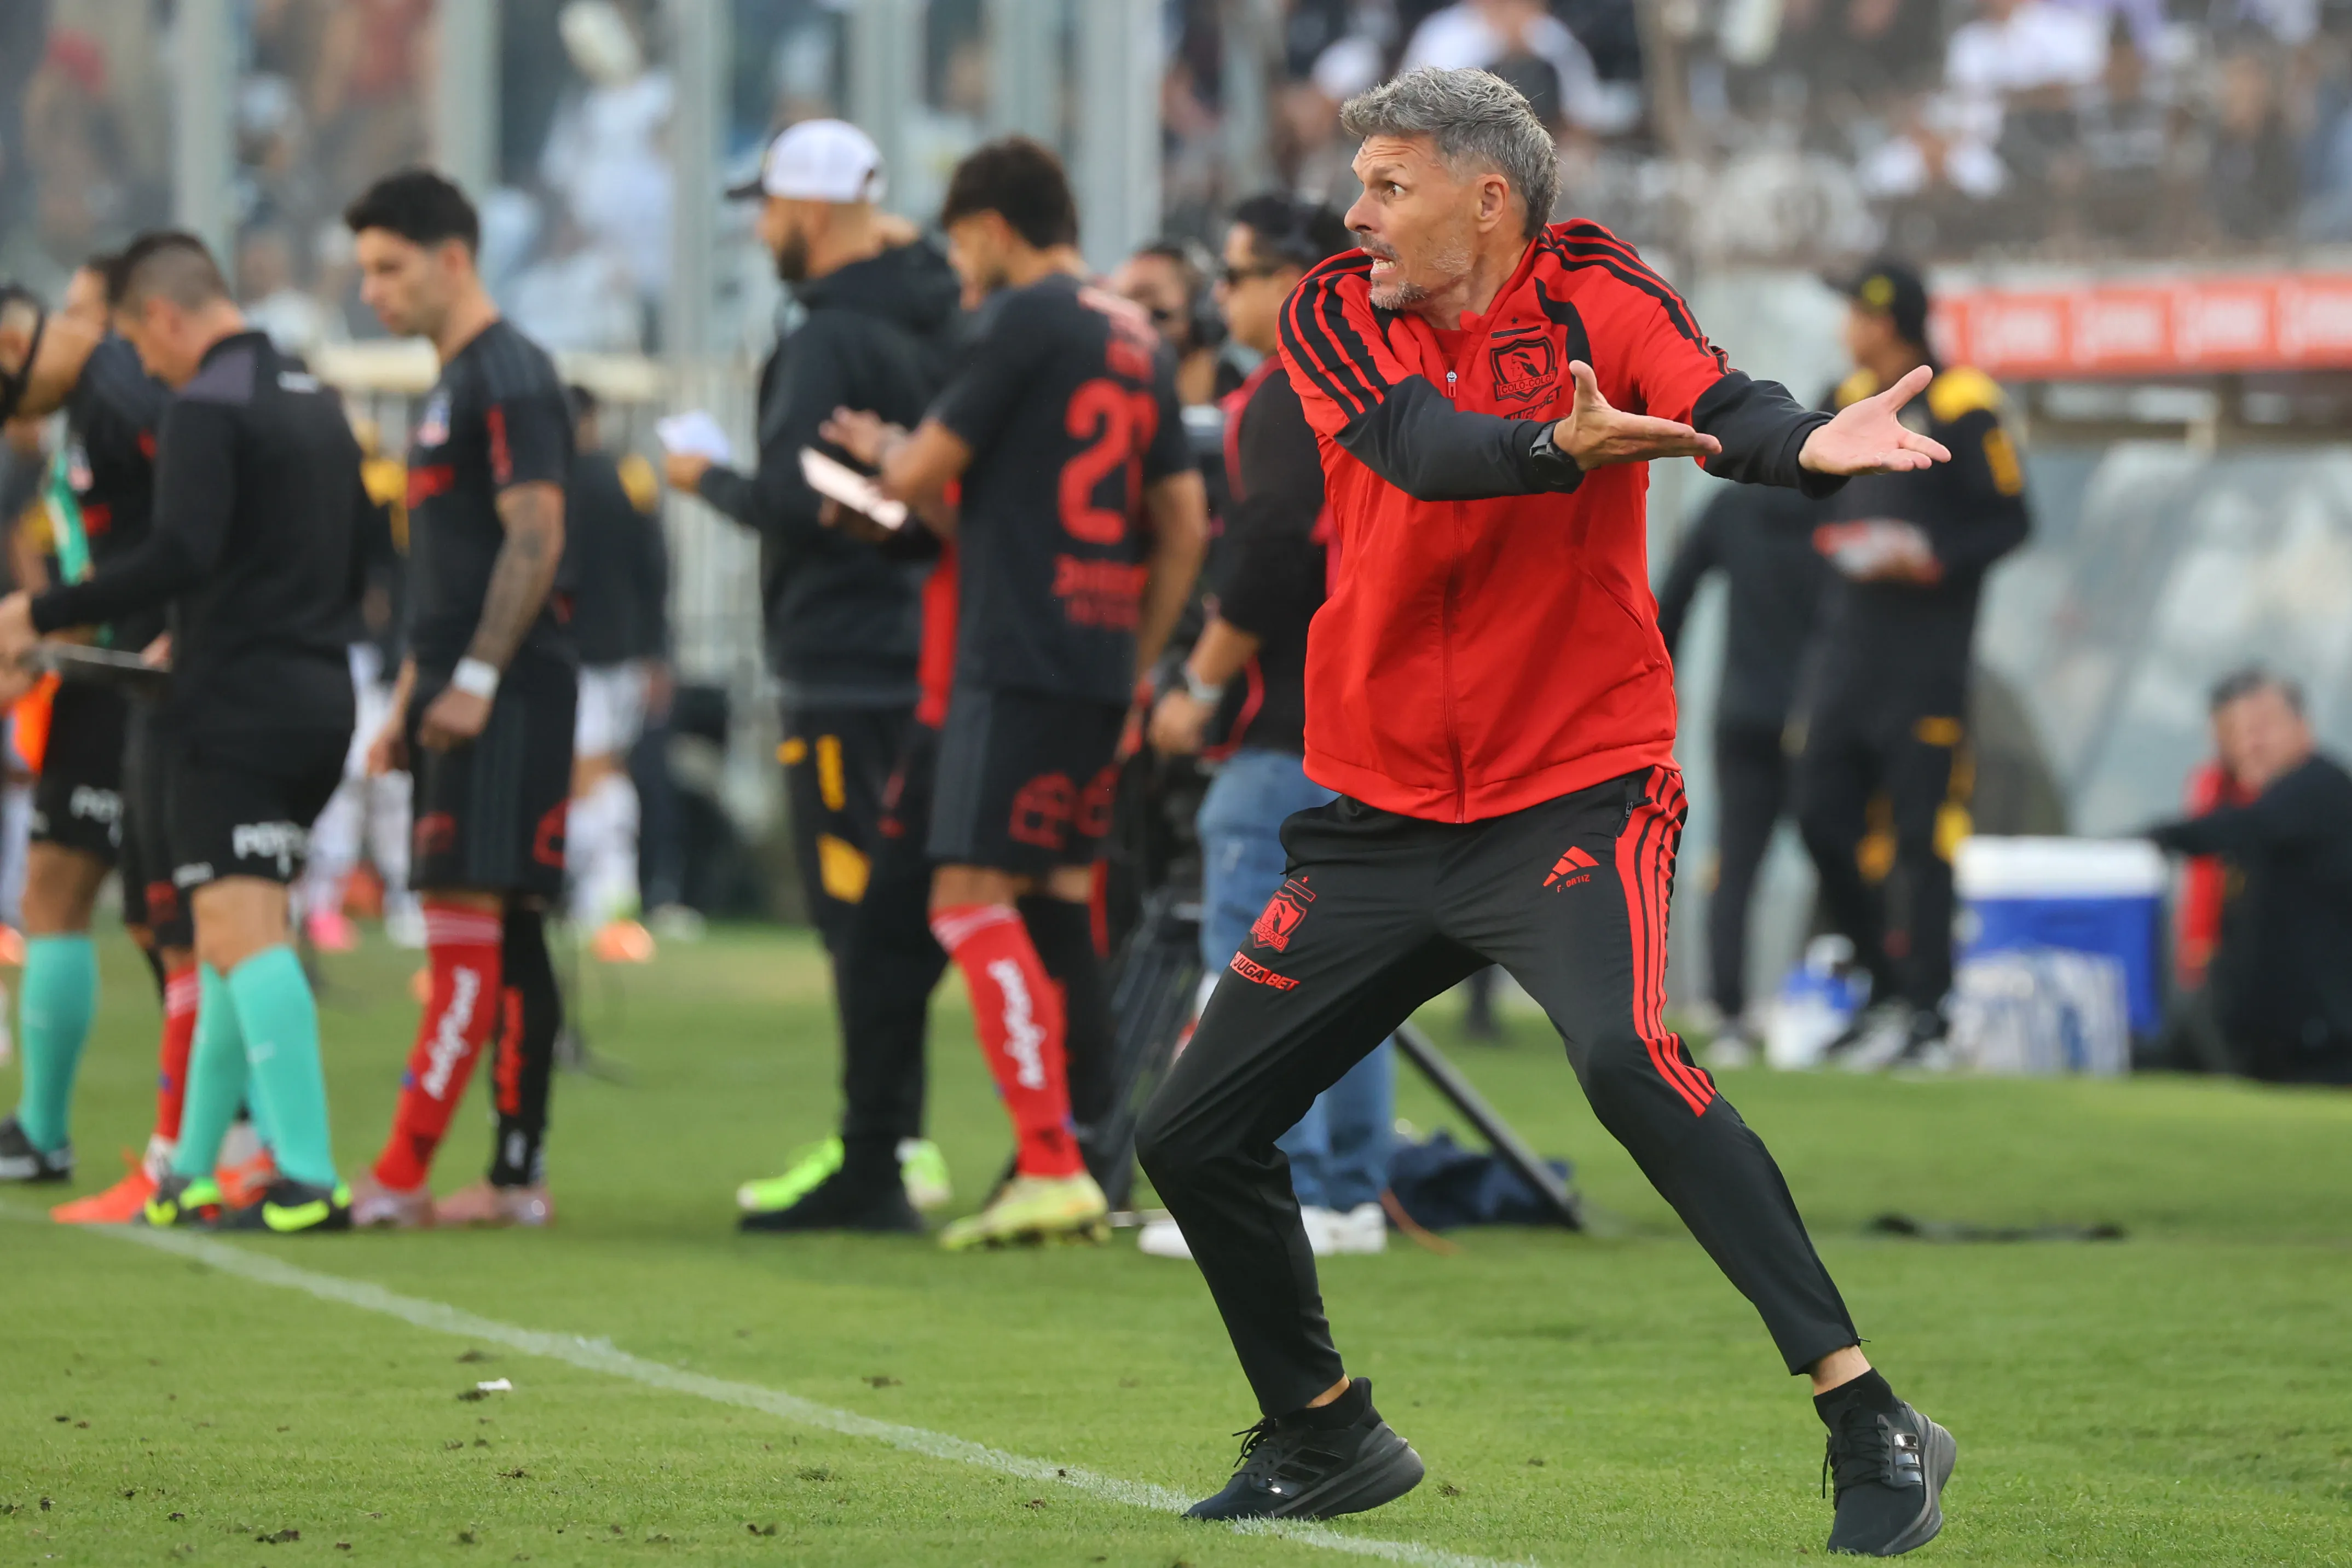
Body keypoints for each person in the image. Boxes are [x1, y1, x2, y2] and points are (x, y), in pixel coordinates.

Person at [1130, 69, 1958, 1555]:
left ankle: (1869, 1417)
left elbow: (1714, 403)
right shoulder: (1330, 307)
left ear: (1486, 196)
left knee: (1625, 1060)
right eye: (1358, 185)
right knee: (1188, 1132)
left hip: (1577, 779)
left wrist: (1811, 447)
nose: (1353, 214)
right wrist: (1555, 449)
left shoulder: (1599, 289)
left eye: (1387, 185)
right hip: (1383, 807)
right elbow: (1414, 453)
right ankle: (1322, 1433)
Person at [828, 136, 1209, 1251]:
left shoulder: (1020, 319)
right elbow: (1181, 527)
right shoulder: (1135, 336)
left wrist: (884, 453)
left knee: (963, 894)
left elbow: (913, 479)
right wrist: (1135, 658)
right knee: (1053, 901)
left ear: (990, 227)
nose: (956, 266)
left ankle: (1048, 1159)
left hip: (1008, 657)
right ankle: (1084, 1156)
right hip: (1095, 663)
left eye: (957, 241)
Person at [0, 230, 366, 1234]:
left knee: (243, 933)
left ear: (163, 317)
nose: (137, 364)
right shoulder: (318, 402)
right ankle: (192, 1170)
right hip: (321, 692)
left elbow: (178, 554)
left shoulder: (204, 406)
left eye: (132, 337)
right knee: (214, 939)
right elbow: (364, 557)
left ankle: (306, 1175)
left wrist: (40, 612)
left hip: (233, 702)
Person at [664, 118, 962, 1216]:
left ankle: (879, 1151)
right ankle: (908, 1143)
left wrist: (708, 479)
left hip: (843, 656)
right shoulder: (943, 311)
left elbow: (800, 499)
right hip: (924, 640)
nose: (763, 225)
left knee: (863, 921)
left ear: (819, 210)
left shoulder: (830, 334)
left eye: (773, 204)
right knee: (926, 912)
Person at [1143, 193, 1394, 1263]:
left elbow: (1274, 546)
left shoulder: (1288, 390)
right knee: (1352, 968)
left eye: (1239, 274)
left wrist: (1199, 683)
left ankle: (1263, 1188)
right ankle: (1345, 1190)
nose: (1223, 295)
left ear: (1297, 276)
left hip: (1289, 721)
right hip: (1361, 719)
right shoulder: (1371, 379)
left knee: (1255, 958)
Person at [342, 169, 575, 1231]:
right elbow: (445, 575)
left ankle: (399, 1174)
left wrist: (475, 681)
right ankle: (514, 1175)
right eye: (364, 271)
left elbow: (537, 531)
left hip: (507, 693)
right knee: (510, 931)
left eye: (390, 267)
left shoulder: (510, 373)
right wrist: (406, 699)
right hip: (456, 690)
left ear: (453, 257)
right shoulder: (449, 383)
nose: (373, 291)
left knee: (464, 932)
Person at [0, 257, 251, 1225]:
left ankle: (222, 1136)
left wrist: (55, 625)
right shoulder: (92, 412)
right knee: (91, 901)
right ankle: (61, 1127)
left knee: (164, 918)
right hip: (103, 677)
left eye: (85, 310)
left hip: (140, 684)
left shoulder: (127, 401)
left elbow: (184, 543)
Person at [1795, 260, 2031, 1068]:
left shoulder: (1966, 403)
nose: (1844, 329)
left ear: (1885, 319)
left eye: (1854, 313)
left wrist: (1932, 559)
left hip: (1926, 663)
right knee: (1820, 814)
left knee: (1923, 839)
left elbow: (2011, 520)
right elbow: (1811, 495)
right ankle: (1884, 986)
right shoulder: (1841, 389)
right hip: (1847, 654)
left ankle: (1928, 1012)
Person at [1654, 476, 1831, 1064]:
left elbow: (1674, 596)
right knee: (1843, 859)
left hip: (1744, 712)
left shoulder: (1733, 506)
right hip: (1821, 714)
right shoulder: (1839, 506)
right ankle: (1852, 1001)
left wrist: (1654, 686)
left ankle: (1729, 1015)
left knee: (1735, 867)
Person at [2146, 672, 2352, 1084]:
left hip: (2316, 1042)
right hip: (2260, 1030)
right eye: (2235, 734)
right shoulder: (2257, 798)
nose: (2248, 745)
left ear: (2302, 726)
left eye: (2261, 729)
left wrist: (2154, 839)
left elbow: (2243, 827)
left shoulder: (2319, 788)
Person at [299, 427, 425, 954]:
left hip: (379, 656)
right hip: (347, 652)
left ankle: (403, 896)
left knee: (389, 786)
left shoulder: (386, 490)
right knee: (346, 784)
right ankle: (322, 902)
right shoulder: (327, 495)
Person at [561, 382, 667, 959]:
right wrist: (658, 650)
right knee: (606, 771)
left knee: (590, 777)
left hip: (574, 653)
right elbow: (656, 570)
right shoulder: (631, 478)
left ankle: (602, 898)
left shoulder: (550, 483)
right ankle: (610, 893)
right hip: (622, 652)